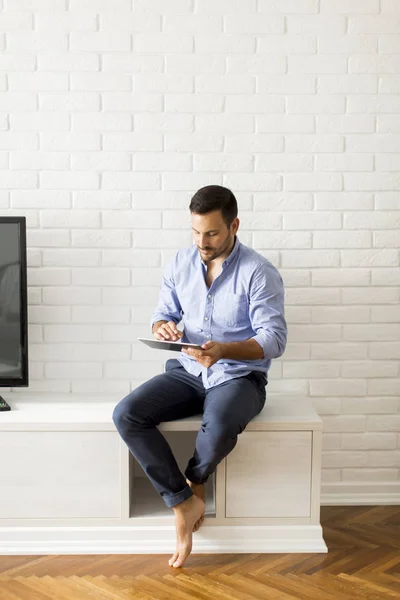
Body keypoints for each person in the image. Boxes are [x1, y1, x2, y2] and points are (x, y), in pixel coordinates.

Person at [112, 185, 287, 568]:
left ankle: (196, 481)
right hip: (187, 371)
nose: (202, 242)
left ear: (234, 225)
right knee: (126, 414)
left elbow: (274, 340)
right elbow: (164, 311)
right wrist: (163, 327)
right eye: (195, 232)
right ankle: (182, 502)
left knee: (220, 423)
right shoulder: (179, 262)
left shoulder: (259, 272)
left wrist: (224, 349)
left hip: (238, 375)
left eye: (211, 233)